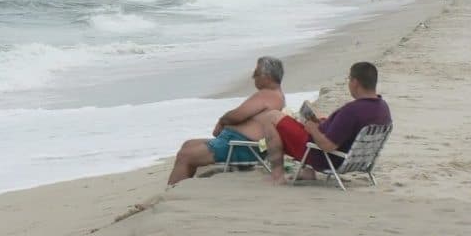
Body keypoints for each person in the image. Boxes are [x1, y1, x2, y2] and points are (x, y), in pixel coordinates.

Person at [261, 62, 391, 184]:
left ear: (355, 82)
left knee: (271, 117)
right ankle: (307, 172)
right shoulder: (382, 106)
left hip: (321, 155)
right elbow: (345, 131)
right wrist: (324, 124)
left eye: (349, 79)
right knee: (314, 120)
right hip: (356, 159)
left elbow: (328, 146)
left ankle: (277, 176)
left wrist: (313, 129)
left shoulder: (352, 111)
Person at [167, 56, 285, 185]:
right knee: (188, 144)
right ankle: (182, 184)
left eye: (255, 73)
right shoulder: (274, 95)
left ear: (266, 75)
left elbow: (237, 116)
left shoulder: (268, 94)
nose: (253, 77)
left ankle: (170, 192)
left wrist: (222, 122)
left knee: (186, 155)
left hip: (242, 147)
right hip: (237, 143)